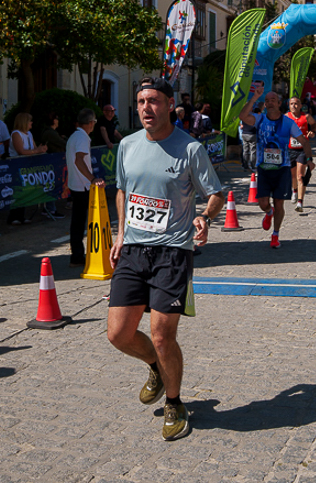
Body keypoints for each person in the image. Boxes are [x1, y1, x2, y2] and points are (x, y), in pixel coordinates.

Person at [106, 77, 224, 441]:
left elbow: (216, 193)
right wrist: (121, 234)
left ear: (170, 105)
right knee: (118, 334)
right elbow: (123, 190)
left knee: (161, 335)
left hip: (172, 252)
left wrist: (205, 217)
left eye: (154, 101)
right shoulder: (127, 145)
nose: (146, 107)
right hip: (133, 251)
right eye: (141, 101)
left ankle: (174, 402)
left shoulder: (190, 149)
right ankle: (156, 367)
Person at [240, 87, 302, 248]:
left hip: (282, 167)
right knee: (262, 203)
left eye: (273, 100)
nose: (270, 103)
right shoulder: (260, 119)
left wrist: (307, 156)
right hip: (264, 168)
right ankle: (269, 212)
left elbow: (301, 138)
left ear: (279, 103)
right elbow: (243, 116)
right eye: (267, 101)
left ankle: (275, 234)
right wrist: (255, 98)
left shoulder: (287, 122)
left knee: (279, 203)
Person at [66, 109, 103, 266]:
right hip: (83, 186)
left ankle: (77, 254)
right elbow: (79, 160)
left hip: (77, 184)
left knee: (78, 221)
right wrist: (92, 179)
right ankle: (79, 255)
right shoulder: (82, 137)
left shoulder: (75, 136)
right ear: (90, 123)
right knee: (83, 221)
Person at [8, 113, 49, 225]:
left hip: (27, 166)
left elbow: (34, 148)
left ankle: (22, 216)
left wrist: (40, 149)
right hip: (17, 166)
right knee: (18, 191)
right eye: (29, 121)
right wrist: (36, 151)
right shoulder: (16, 134)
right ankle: (13, 216)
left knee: (25, 191)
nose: (31, 123)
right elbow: (21, 151)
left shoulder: (29, 134)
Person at [286, 97, 316, 213]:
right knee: (292, 176)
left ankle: (300, 202)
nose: (294, 106)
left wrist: (312, 132)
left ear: (300, 106)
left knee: (300, 176)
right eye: (291, 104)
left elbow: (314, 124)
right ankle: (294, 190)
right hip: (290, 150)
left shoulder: (306, 117)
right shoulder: (286, 117)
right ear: (289, 105)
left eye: (296, 104)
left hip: (302, 150)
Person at [239, 106, 258, 172]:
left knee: (245, 151)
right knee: (253, 151)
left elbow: (239, 122)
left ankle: (245, 165)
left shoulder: (243, 115)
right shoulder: (253, 116)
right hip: (252, 134)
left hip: (244, 134)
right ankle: (253, 165)